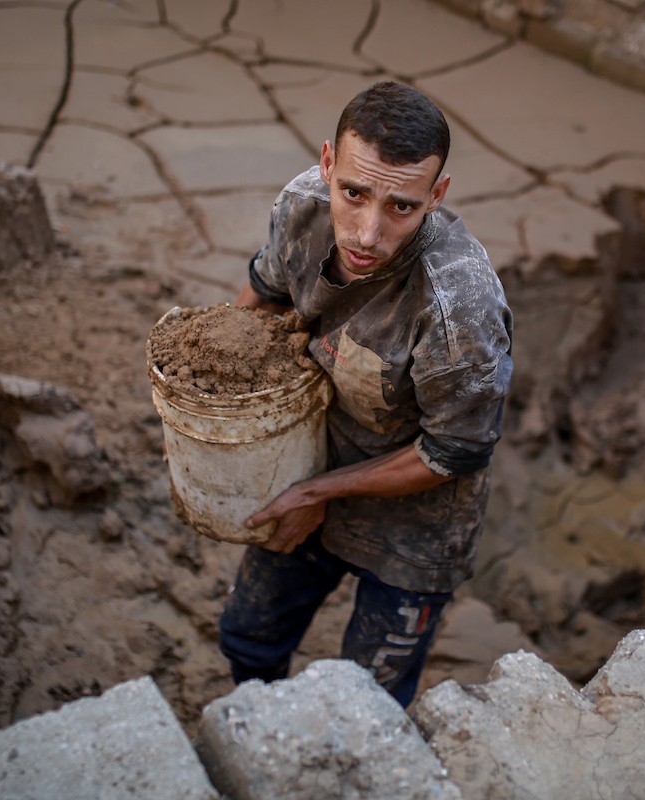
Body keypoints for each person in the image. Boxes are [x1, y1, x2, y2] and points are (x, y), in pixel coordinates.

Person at [218, 81, 513, 707]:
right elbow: (263, 299)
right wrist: (213, 422)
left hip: (416, 523)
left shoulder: (458, 306)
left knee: (366, 697)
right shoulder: (302, 208)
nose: (368, 234)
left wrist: (315, 494)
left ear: (437, 195)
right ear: (327, 163)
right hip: (312, 458)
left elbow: (452, 452)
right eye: (352, 192)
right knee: (249, 636)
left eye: (402, 207)